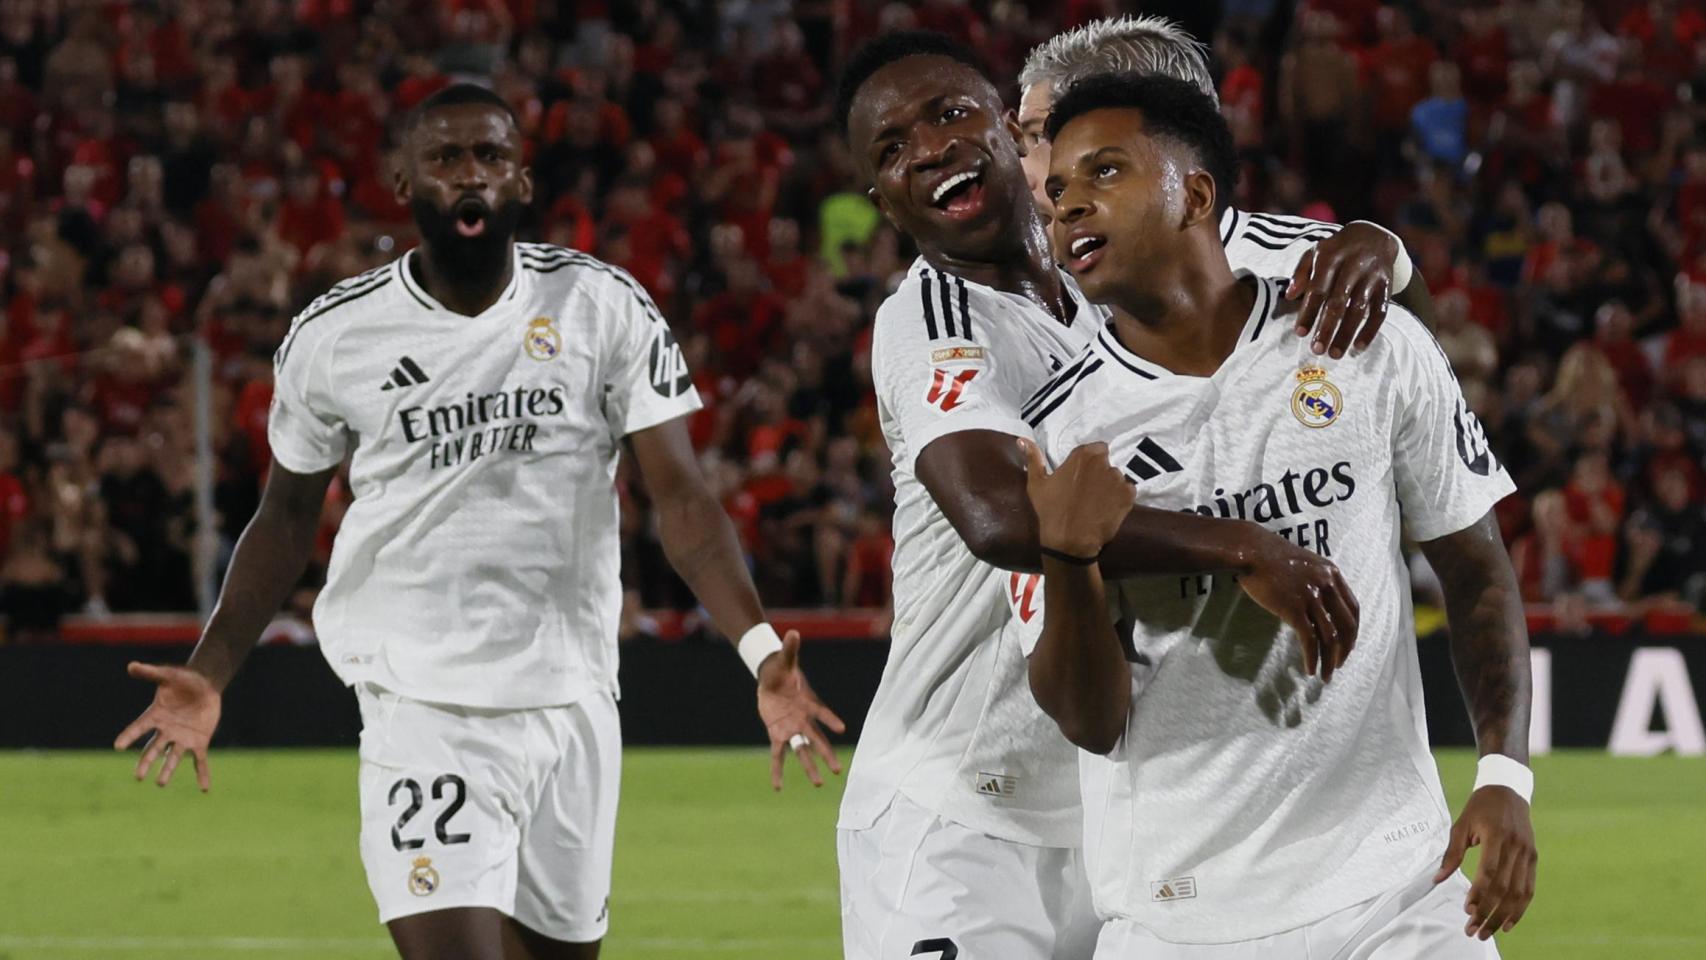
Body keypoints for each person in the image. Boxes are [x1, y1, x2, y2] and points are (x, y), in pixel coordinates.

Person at [113, 84, 843, 960]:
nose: (472, 176)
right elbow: (284, 518)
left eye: (491, 158)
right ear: (403, 181)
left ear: (522, 181)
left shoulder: (601, 306)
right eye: (447, 158)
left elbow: (681, 499)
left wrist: (760, 651)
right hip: (422, 703)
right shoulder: (337, 335)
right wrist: (212, 671)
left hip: (571, 699)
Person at [834, 32, 1392, 959]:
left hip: (1109, 815)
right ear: (882, 200)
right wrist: (1246, 547)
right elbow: (999, 515)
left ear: (1016, 134)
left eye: (950, 114)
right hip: (960, 812)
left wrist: (1381, 248)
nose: (928, 149)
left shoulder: (1110, 262)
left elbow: (1320, 253)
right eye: (891, 150)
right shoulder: (931, 321)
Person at [1019, 72, 1537, 958]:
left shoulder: (1365, 343)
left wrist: (1503, 772)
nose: (1069, 207)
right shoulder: (1054, 431)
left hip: (1399, 892)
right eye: (1058, 189)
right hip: (1180, 920)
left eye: (1105, 173)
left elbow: (1475, 563)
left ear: (1197, 194)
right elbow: (1089, 722)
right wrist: (1067, 559)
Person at [1014, 15, 1439, 345]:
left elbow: (1421, 375)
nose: (1024, 169)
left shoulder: (1299, 264)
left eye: (1038, 137)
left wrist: (1395, 265)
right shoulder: (1043, 300)